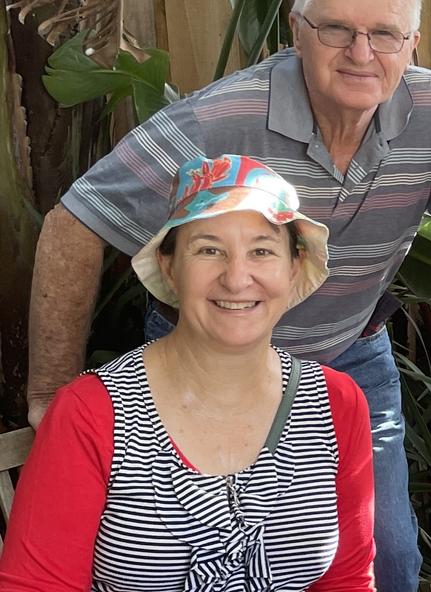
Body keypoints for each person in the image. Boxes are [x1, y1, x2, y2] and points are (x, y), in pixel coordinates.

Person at [26, 0, 431, 590]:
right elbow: (74, 221)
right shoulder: (218, 121)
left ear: (413, 42)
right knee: (184, 559)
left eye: (385, 35)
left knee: (386, 558)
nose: (361, 53)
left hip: (347, 358)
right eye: (338, 30)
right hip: (203, 357)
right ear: (297, 33)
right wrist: (50, 395)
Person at [0, 155, 375, 590]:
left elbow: (347, 579)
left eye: (261, 250)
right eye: (209, 249)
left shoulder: (337, 404)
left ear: (292, 268)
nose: (237, 279)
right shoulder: (90, 414)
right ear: (169, 267)